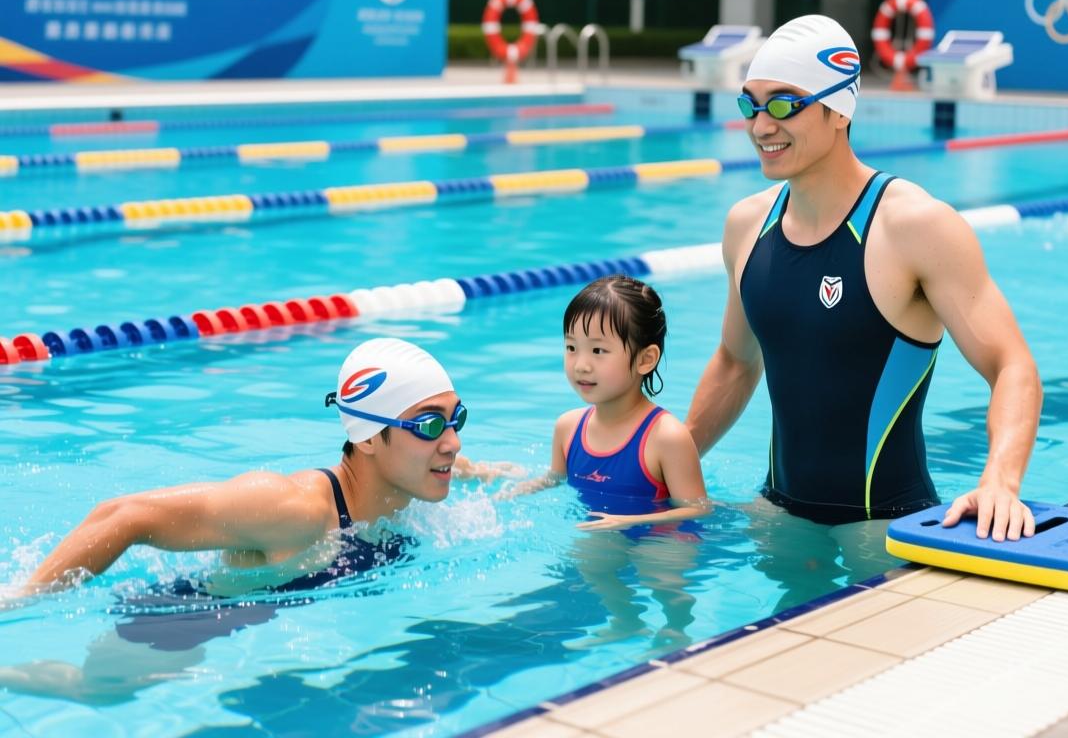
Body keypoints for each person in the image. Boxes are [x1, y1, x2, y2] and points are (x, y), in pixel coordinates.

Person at [685, 14, 1042, 542]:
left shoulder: (915, 226)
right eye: (751, 105)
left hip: (885, 529)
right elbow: (736, 363)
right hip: (777, 519)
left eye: (785, 104)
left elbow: (1012, 365)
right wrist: (662, 464)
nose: (761, 126)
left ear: (838, 110)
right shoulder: (747, 225)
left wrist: (999, 483)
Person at [0, 337, 478, 702]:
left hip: (256, 620)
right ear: (369, 437)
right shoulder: (294, 509)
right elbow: (123, 514)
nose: (452, 443)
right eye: (430, 425)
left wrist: (485, 472)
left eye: (455, 419)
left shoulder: (408, 479)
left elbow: (458, 459)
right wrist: (22, 599)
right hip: (178, 623)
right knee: (99, 693)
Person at [527, 274, 710, 531]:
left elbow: (697, 509)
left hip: (661, 539)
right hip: (602, 534)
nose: (581, 365)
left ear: (645, 359)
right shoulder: (567, 428)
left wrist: (630, 522)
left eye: (598, 351)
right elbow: (554, 480)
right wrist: (509, 489)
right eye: (571, 348)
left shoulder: (666, 437)